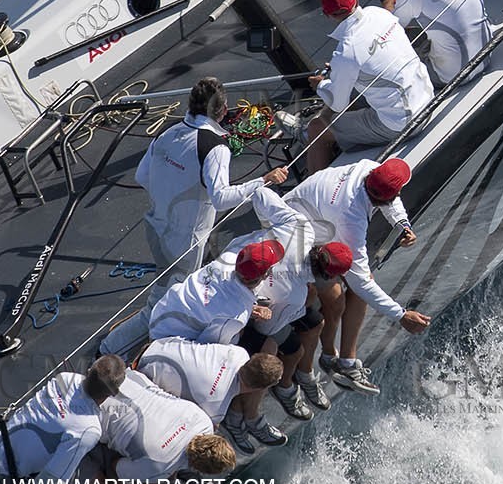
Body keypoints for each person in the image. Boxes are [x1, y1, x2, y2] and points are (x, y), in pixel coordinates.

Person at [286, 156, 431, 395]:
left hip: (320, 219)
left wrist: (402, 225)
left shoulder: (372, 169)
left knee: (345, 294)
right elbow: (360, 281)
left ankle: (341, 360)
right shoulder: (350, 221)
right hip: (296, 231)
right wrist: (401, 315)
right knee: (337, 299)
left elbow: (390, 199)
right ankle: (322, 364)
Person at [135, 76, 288, 300]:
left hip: (155, 224)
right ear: (224, 109)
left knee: (166, 279)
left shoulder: (167, 130)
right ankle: (148, 327)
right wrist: (263, 181)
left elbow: (142, 176)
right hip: (184, 239)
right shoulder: (216, 147)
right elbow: (221, 199)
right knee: (176, 295)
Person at [221, 210, 355, 424]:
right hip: (247, 313)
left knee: (315, 323)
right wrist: (303, 305)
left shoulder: (302, 229)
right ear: (329, 275)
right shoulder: (296, 295)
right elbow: (267, 329)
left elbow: (262, 194)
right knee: (286, 352)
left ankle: (303, 376)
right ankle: (244, 413)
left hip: (239, 261)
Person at [305, 0, 435, 176]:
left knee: (316, 129)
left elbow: (338, 104)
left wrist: (322, 85)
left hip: (405, 124)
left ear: (328, 14)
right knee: (356, 90)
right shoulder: (380, 13)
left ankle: (313, 185)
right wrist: (343, 71)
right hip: (428, 99)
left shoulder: (347, 52)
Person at [0, 355, 126, 484]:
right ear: (114, 393)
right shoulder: (89, 429)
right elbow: (51, 479)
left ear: (88, 371)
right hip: (17, 475)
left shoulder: (66, 377)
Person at [87, 369, 238, 484]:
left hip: (119, 375)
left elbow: (170, 456)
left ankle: (162, 480)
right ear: (197, 467)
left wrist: (151, 477)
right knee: (125, 479)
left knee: (150, 463)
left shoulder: (203, 421)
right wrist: (141, 483)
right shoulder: (158, 467)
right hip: (92, 404)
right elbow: (115, 468)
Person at [138, 339, 287, 452]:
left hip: (158, 345)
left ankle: (237, 416)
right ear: (259, 389)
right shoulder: (215, 409)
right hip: (142, 370)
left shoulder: (238, 352)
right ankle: (182, 474)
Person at [148, 240, 285, 346]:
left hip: (162, 310)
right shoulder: (235, 315)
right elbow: (210, 344)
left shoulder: (227, 258)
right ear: (266, 274)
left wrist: (249, 309)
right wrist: (240, 323)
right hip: (165, 339)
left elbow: (218, 301)